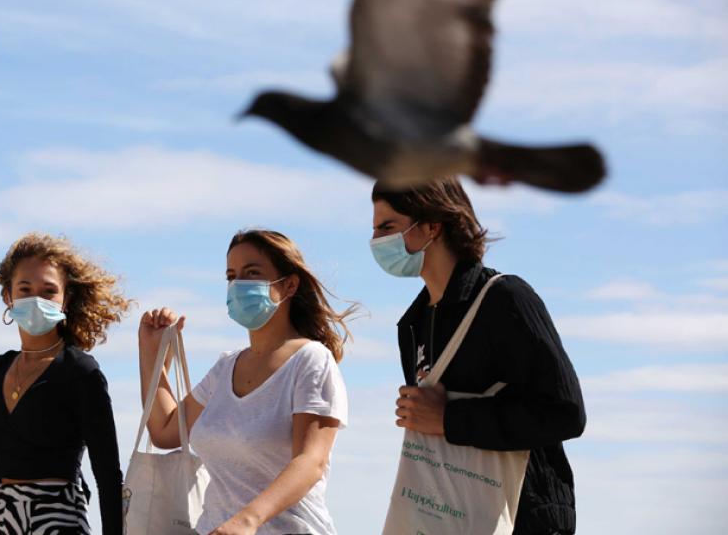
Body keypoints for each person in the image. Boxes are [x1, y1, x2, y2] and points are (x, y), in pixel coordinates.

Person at [370, 178, 586, 535]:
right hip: (448, 519)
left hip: (523, 520)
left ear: (432, 226)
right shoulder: (413, 323)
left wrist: (448, 418)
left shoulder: (506, 300)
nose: (376, 241)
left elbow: (566, 413)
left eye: (387, 227)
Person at [138, 229, 352, 535]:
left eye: (252, 273)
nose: (239, 285)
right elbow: (164, 431)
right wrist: (151, 353)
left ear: (290, 285)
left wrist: (246, 521)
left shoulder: (311, 360)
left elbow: (311, 461)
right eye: (231, 276)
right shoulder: (225, 366)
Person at [0, 233, 128, 535]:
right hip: (5, 522)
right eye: (25, 289)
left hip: (58, 521)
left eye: (49, 291)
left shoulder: (80, 371)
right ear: (7, 296)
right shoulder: (1, 367)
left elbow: (107, 472)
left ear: (66, 299)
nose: (36, 300)